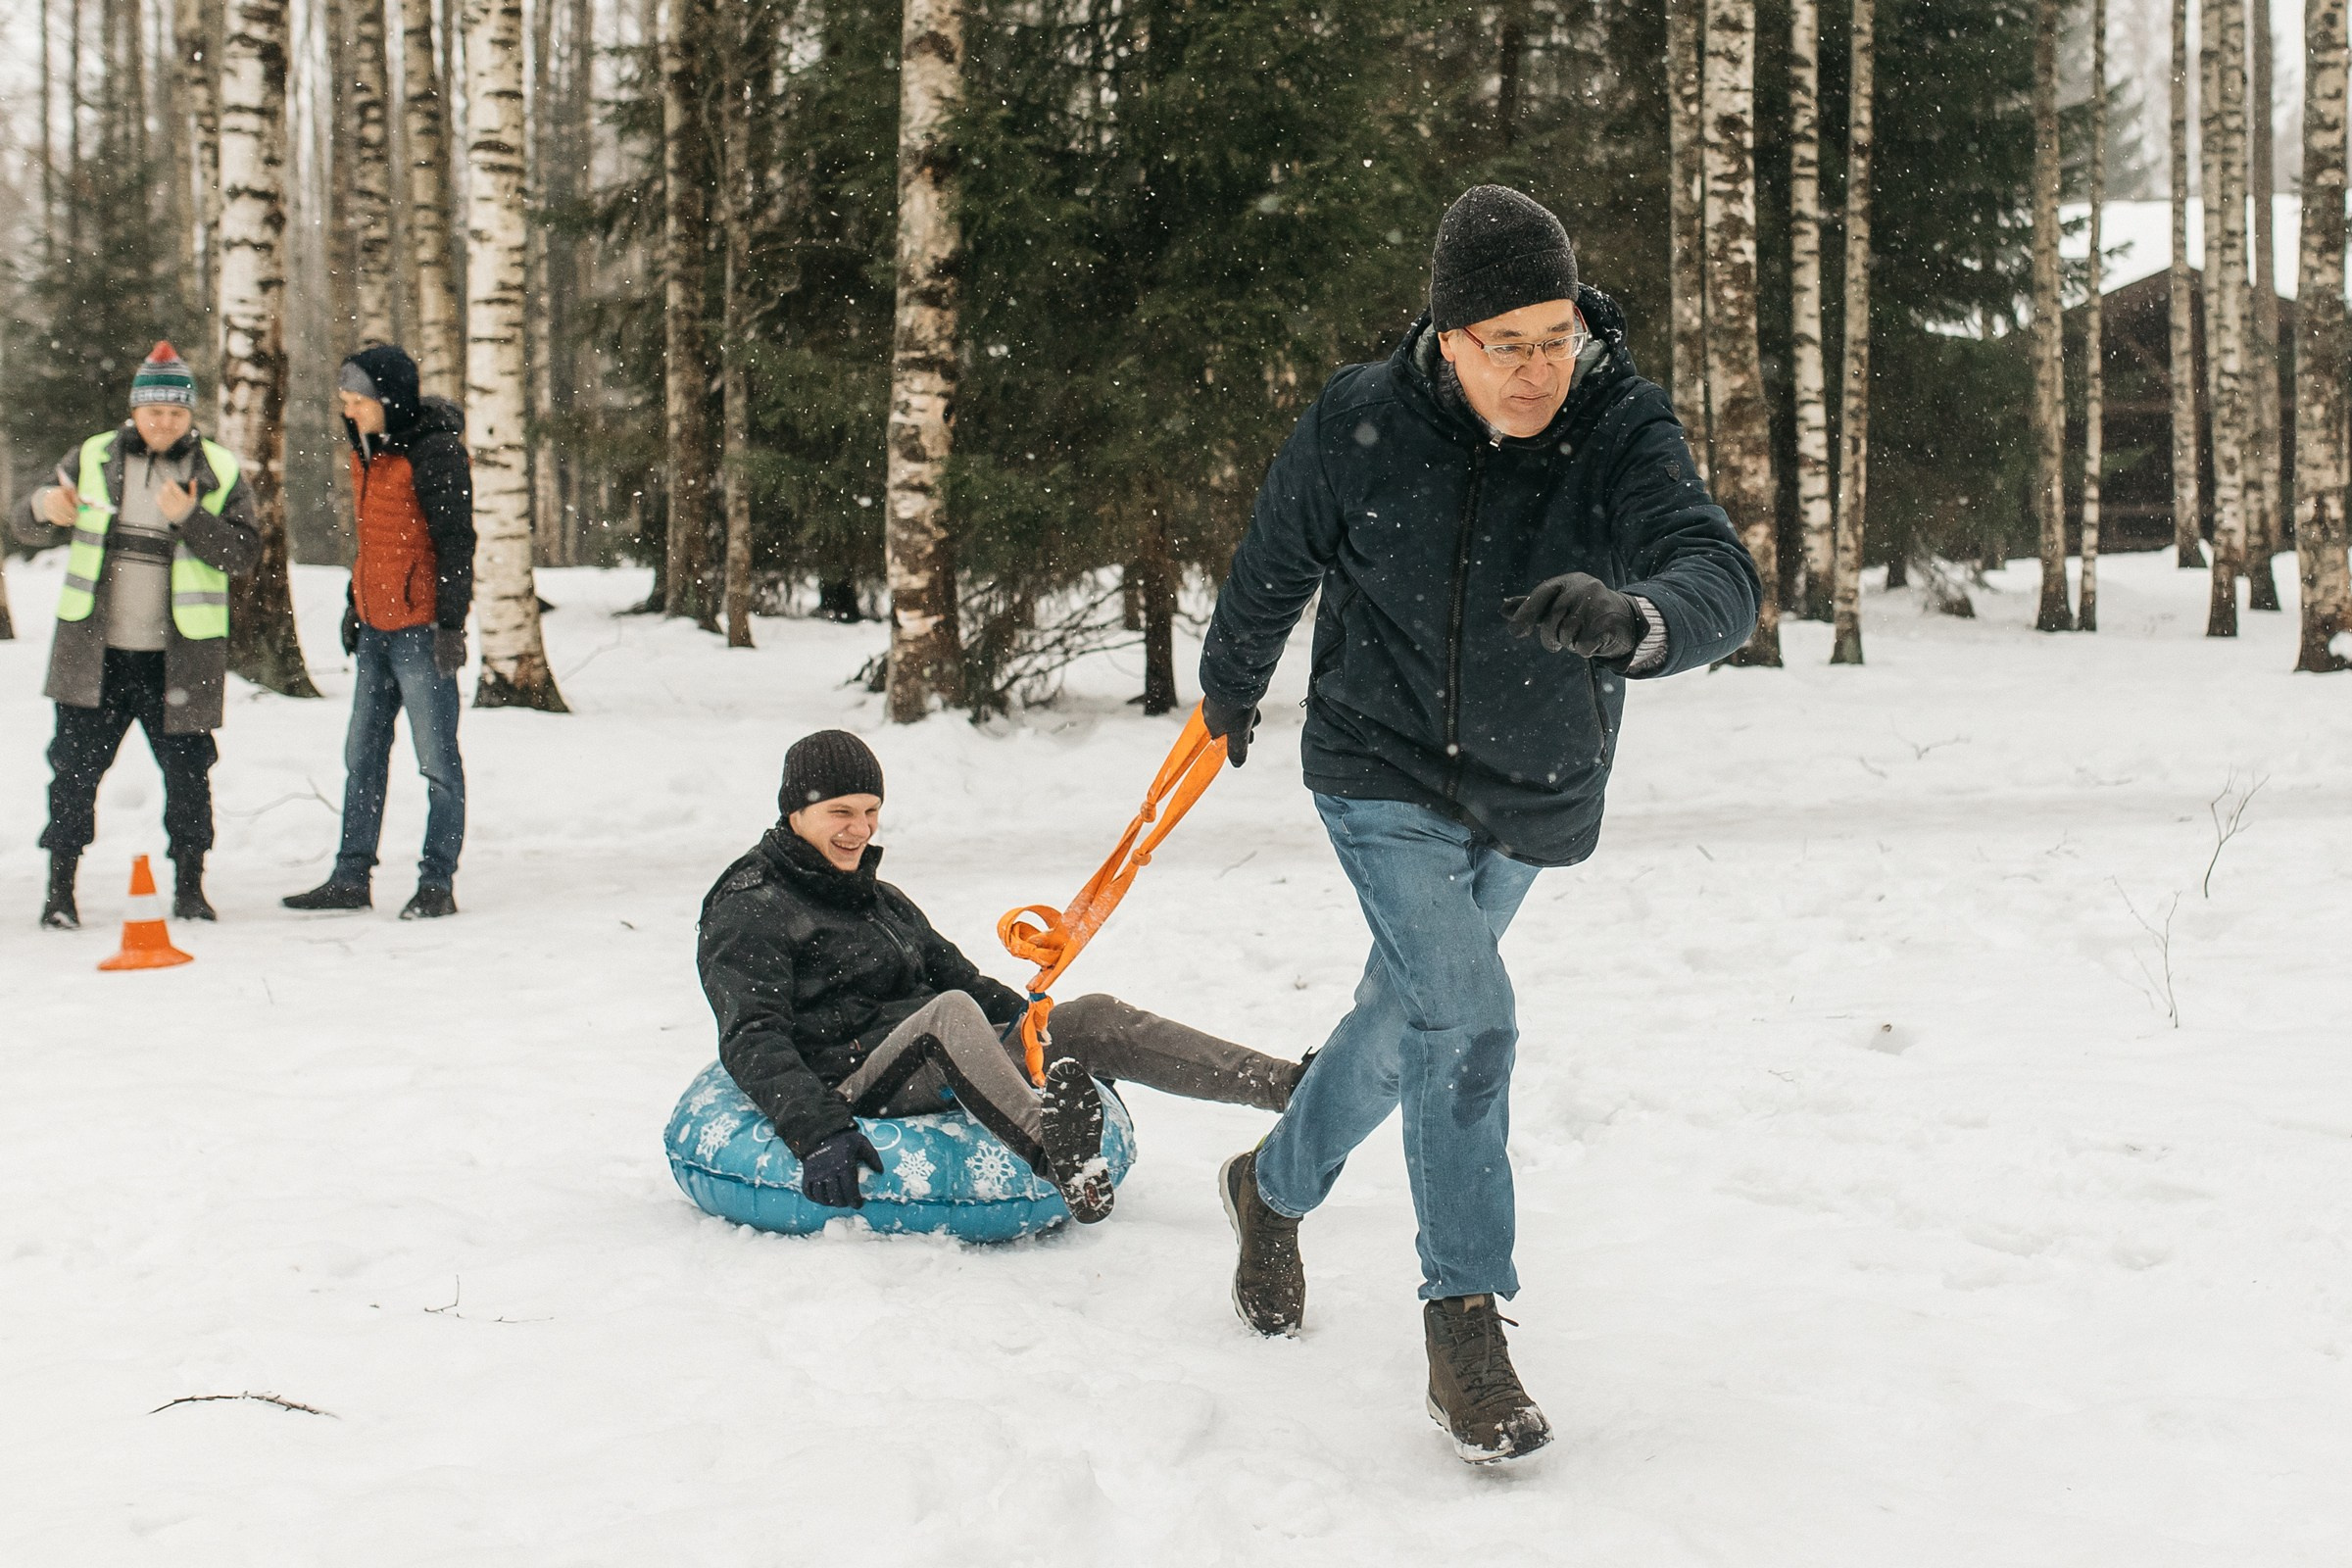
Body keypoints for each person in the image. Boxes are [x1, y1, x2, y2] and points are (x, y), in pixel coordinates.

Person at [1197, 185, 1762, 1462]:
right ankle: (1465, 1322)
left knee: (1402, 1020)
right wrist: (1233, 682)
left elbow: (1717, 569)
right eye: (1507, 343)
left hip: (1524, 791)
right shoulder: (1359, 418)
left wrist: (1641, 622)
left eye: (1555, 336)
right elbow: (1276, 556)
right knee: (1464, 1014)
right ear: (1445, 337)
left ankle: (1269, 1185)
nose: (1537, 370)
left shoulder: (1618, 421)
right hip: (1378, 769)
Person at [699, 730, 1307, 1223]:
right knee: (950, 1013)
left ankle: (1287, 1085)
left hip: (933, 1053)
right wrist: (816, 1130)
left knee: (1088, 1014)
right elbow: (750, 1034)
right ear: (794, 812)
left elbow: (961, 976)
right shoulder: (749, 906)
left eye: (871, 812)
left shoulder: (876, 897)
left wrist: (1046, 1036)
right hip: (851, 1079)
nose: (860, 829)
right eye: (840, 812)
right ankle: (1056, 1149)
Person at [15, 341, 262, 929]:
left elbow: (245, 554)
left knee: (187, 777)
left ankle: (191, 890)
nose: (163, 422)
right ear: (134, 409)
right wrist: (46, 506)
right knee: (72, 775)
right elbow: (23, 522)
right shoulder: (95, 456)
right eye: (153, 411)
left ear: (191, 415)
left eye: (176, 413)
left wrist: (189, 517)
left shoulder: (218, 471)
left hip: (179, 659)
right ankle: (59, 892)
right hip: (93, 655)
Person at [282, 345, 475, 920]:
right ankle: (350, 876)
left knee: (437, 762)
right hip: (375, 627)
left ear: (387, 399)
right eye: (344, 401)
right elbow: (375, 540)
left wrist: (450, 624)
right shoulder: (366, 452)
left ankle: (436, 883)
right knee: (362, 755)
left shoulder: (435, 453)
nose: (349, 411)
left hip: (420, 631)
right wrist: (354, 602)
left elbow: (456, 543)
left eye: (357, 401)